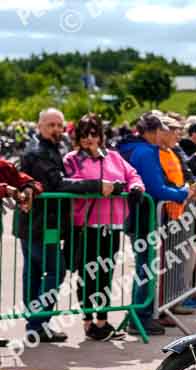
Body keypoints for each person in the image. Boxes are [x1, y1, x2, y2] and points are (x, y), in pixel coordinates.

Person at [16, 108, 111, 343]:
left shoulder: (51, 148)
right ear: (39, 126)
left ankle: (36, 324)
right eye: (51, 125)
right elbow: (57, 184)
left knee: (35, 273)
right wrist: (96, 185)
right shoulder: (38, 152)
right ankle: (37, 322)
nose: (56, 129)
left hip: (41, 223)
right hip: (40, 224)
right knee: (53, 271)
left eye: (59, 125)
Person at [118, 112, 196, 336]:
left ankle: (140, 316)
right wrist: (182, 192)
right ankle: (140, 318)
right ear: (153, 132)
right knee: (146, 269)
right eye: (161, 130)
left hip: (142, 215)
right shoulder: (146, 152)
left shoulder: (139, 149)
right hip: (144, 216)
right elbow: (155, 188)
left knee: (145, 267)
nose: (164, 134)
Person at [63, 113, 145, 341]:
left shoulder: (114, 157)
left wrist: (136, 187)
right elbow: (69, 183)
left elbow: (132, 174)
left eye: (94, 133)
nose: (90, 139)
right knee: (87, 274)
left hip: (112, 225)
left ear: (100, 136)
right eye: (84, 134)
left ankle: (102, 320)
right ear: (78, 137)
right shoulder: (72, 158)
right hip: (86, 226)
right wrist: (98, 187)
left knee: (105, 274)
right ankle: (88, 321)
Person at [0, 158, 43, 347]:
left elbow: (29, 181)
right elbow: (8, 188)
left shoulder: (3, 165)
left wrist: (29, 190)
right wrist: (5, 190)